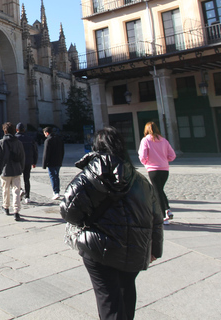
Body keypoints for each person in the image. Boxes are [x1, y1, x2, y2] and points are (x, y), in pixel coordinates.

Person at [61, 126, 164, 320]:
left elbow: (67, 211)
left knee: (108, 298)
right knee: (126, 292)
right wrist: (155, 250)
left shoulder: (89, 175)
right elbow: (156, 218)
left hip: (99, 248)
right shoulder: (140, 180)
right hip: (135, 248)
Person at [138, 121, 177, 225]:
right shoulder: (164, 140)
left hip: (153, 169)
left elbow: (142, 155)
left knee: (157, 191)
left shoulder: (145, 140)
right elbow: (172, 155)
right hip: (164, 169)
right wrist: (164, 159)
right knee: (160, 190)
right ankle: (167, 210)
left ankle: (163, 216)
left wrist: (146, 163)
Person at [0, 122, 25, 221]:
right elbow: (22, 157)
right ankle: (16, 211)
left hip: (5, 170)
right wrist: (22, 168)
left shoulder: (1, 142)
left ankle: (6, 207)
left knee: (5, 189)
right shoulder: (18, 143)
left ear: (5, 131)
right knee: (16, 190)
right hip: (16, 170)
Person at [15, 123, 38, 203]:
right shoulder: (30, 138)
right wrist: (34, 162)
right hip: (28, 162)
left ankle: (20, 191)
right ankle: (27, 197)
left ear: (16, 130)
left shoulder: (15, 139)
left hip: (17, 162)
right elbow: (35, 151)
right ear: (24, 130)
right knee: (26, 179)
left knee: (16, 179)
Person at [42, 126, 65, 200]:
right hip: (58, 160)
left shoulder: (48, 140)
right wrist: (61, 159)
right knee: (56, 176)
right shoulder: (59, 139)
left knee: (52, 176)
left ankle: (56, 192)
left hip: (51, 162)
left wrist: (44, 164)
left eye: (44, 133)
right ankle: (57, 190)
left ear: (47, 133)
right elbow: (62, 150)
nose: (44, 135)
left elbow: (46, 153)